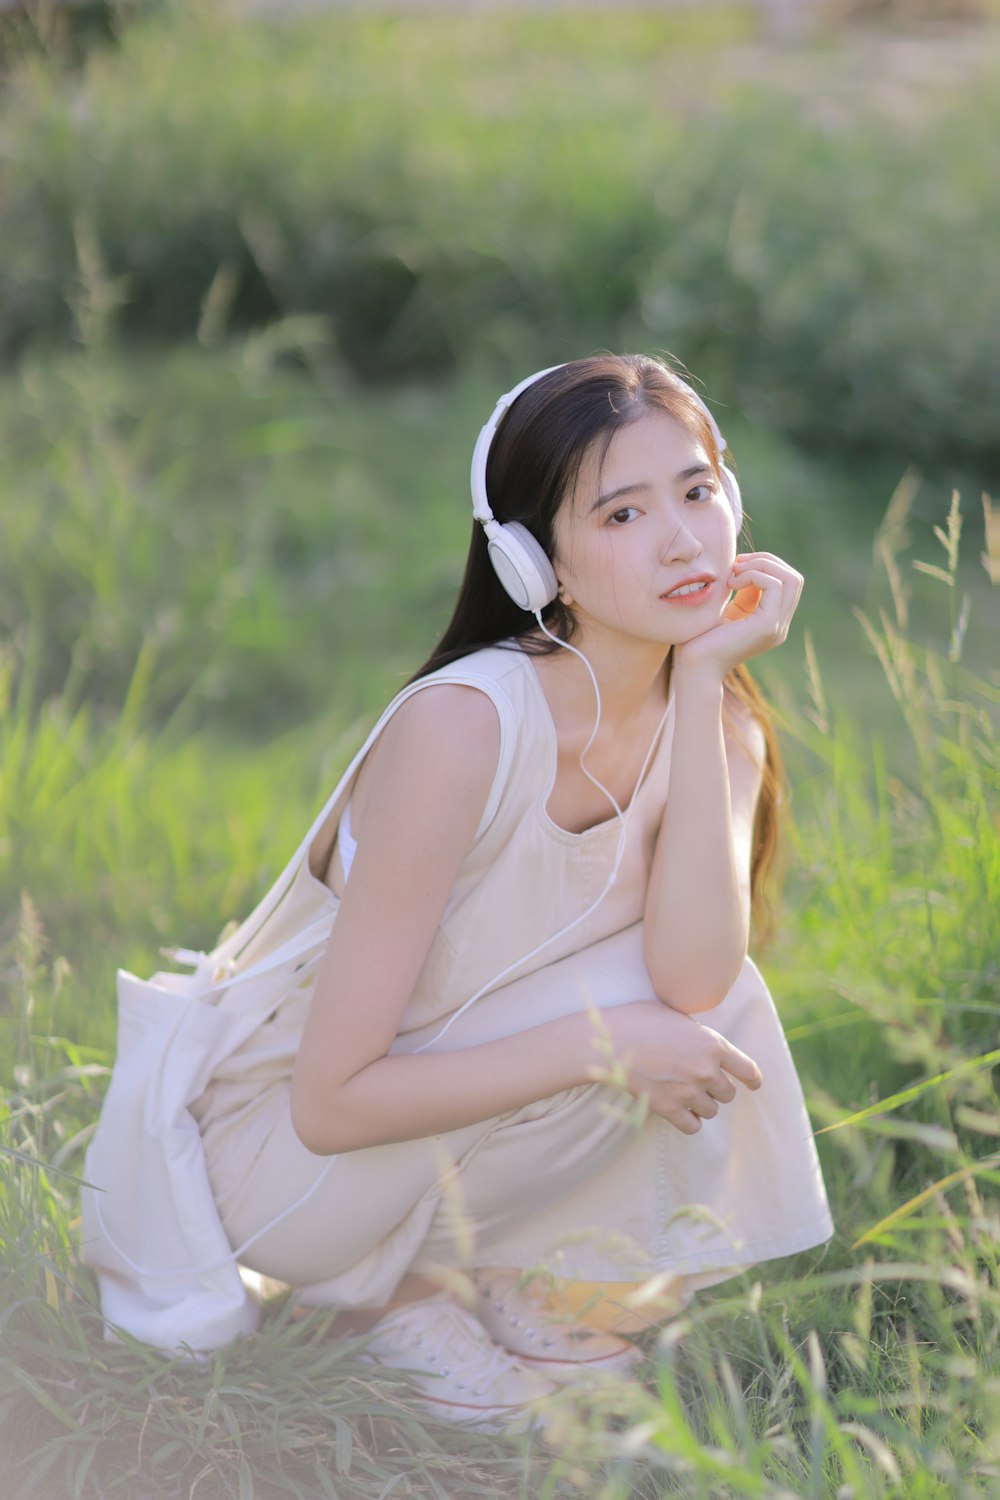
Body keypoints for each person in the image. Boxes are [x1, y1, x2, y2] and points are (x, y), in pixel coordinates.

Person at [87, 354, 833, 1429]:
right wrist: (597, 1044)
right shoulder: (465, 725)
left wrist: (710, 686)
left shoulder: (720, 722)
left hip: (440, 1130)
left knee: (694, 1003)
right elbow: (332, 1100)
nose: (681, 540)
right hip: (280, 1175)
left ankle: (463, 1275)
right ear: (540, 564)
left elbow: (696, 975)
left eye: (697, 491)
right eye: (621, 513)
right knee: (639, 1020)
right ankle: (375, 1296)